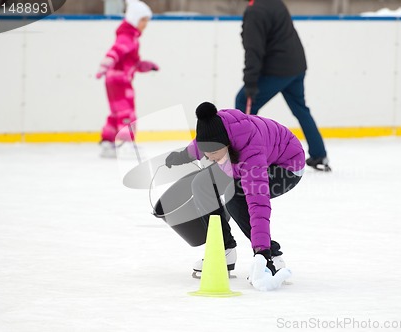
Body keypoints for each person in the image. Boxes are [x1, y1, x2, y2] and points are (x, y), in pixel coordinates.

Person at [165, 102, 305, 289]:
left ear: (227, 143)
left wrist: (262, 252)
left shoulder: (250, 151)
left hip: (286, 167)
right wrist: (182, 156)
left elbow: (258, 205)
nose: (211, 157)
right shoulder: (214, 128)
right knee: (202, 183)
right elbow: (203, 145)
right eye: (207, 153)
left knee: (235, 197)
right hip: (241, 158)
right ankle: (224, 250)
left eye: (214, 152)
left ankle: (273, 257)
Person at [235, 0, 331, 171]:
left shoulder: (255, 11)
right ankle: (319, 154)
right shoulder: (275, 3)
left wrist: (250, 81)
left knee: (244, 103)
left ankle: (246, 157)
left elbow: (254, 49)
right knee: (301, 109)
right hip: (296, 66)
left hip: (277, 70)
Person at [95, 0, 159, 158]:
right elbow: (116, 50)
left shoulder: (131, 37)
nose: (145, 24)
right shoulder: (128, 36)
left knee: (116, 112)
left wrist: (145, 65)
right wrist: (105, 64)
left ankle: (107, 143)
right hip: (120, 80)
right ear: (134, 19)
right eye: (143, 20)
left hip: (115, 79)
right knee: (126, 112)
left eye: (147, 20)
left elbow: (130, 62)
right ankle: (126, 144)